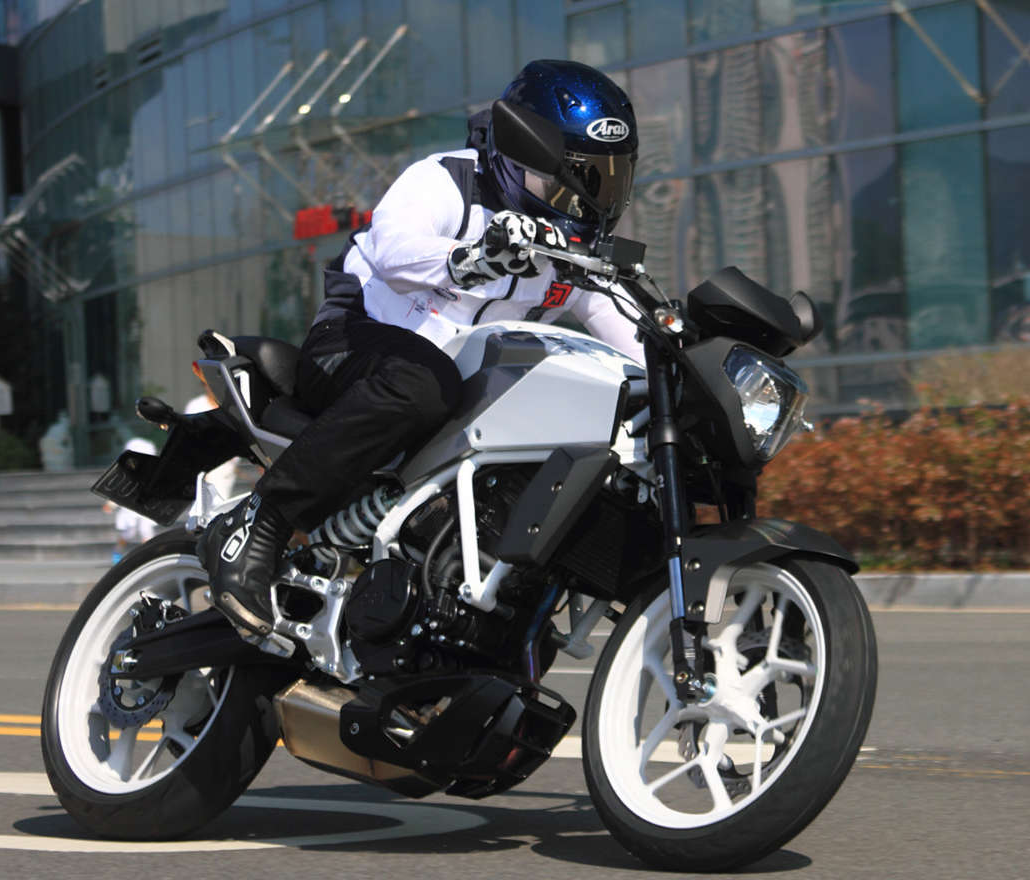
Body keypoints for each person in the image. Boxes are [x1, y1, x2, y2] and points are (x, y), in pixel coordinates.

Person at [198, 59, 642, 643]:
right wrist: (471, 259)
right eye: (579, 178)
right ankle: (258, 523)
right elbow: (394, 252)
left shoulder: (579, 256)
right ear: (523, 158)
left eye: (608, 178)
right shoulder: (448, 180)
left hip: (452, 402)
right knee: (426, 381)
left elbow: (630, 335)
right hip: (350, 345)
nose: (591, 200)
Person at [104, 438, 159, 563]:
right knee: (128, 533)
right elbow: (119, 491)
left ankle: (150, 556)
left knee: (146, 531)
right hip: (130, 508)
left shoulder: (152, 474)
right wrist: (111, 504)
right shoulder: (126, 474)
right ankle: (117, 552)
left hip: (145, 507)